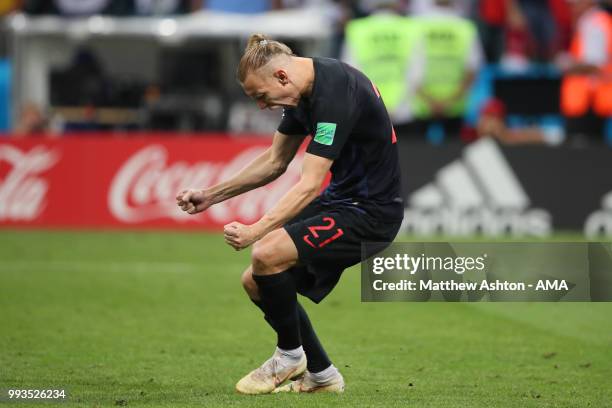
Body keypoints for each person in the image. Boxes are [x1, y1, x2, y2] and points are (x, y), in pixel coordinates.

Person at [176, 33, 403, 394]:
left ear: (281, 76)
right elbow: (274, 161)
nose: (263, 107)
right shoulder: (304, 91)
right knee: (256, 280)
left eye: (261, 97)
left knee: (266, 253)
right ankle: (322, 375)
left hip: (371, 212)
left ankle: (289, 356)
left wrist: (257, 230)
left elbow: (309, 185)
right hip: (343, 200)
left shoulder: (335, 94)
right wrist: (210, 195)